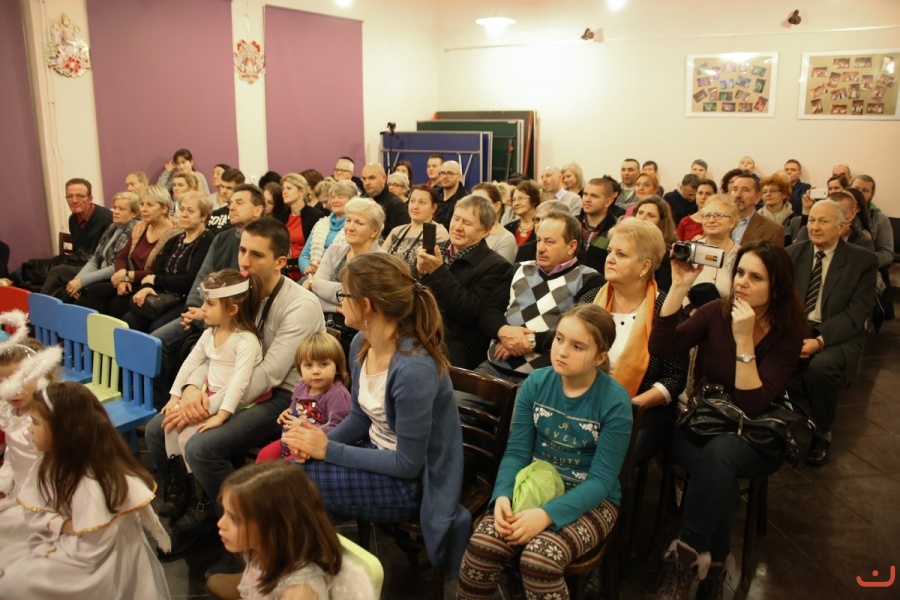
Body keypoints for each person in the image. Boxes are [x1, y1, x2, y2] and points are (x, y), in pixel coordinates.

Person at [145, 218, 325, 562]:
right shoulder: (238, 290)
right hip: (227, 386)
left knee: (201, 447)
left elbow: (270, 374)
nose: (244, 261)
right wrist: (190, 390)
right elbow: (210, 347)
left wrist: (210, 405)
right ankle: (191, 503)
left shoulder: (300, 305)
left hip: (282, 396)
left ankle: (240, 523)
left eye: (256, 255)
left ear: (280, 261)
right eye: (242, 250)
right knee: (157, 429)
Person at [284, 253, 471, 577]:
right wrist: (317, 444)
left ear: (367, 306)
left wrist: (327, 449)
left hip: (413, 483)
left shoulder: (413, 369)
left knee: (290, 487)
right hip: (377, 456)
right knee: (288, 477)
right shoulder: (362, 342)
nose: (339, 302)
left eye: (343, 294)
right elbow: (359, 417)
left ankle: (300, 577)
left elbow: (408, 464)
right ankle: (301, 575)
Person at [651, 240, 806, 599]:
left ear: (777, 288)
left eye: (756, 277)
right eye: (740, 273)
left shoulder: (789, 330)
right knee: (721, 474)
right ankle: (716, 567)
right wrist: (679, 287)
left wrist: (744, 340)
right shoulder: (715, 312)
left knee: (721, 454)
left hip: (756, 435)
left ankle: (684, 559)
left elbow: (752, 403)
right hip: (704, 423)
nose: (742, 282)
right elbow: (662, 347)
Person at [457, 304, 632, 599]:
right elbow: (516, 452)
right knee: (483, 545)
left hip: (591, 499)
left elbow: (601, 482)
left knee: (540, 559)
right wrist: (502, 495)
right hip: (535, 485)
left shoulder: (614, 401)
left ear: (600, 357)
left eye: (577, 346)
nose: (561, 351)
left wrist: (546, 515)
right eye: (559, 339)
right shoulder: (536, 383)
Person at [0, 382, 171, 599]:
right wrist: (60, 525)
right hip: (68, 539)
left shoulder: (95, 483)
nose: (29, 429)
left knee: (17, 582)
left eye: (35, 422)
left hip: (100, 562)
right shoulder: (50, 461)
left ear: (62, 430)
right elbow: (37, 509)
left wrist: (56, 539)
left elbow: (93, 548)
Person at [156, 269, 265, 529]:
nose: (202, 308)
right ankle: (180, 491)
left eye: (210, 304)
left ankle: (200, 500)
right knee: (170, 425)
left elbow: (239, 384)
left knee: (186, 436)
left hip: (236, 402)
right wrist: (175, 396)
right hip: (210, 395)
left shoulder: (246, 341)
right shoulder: (210, 333)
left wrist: (222, 415)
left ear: (232, 309)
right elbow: (190, 363)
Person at [149, 183, 264, 408]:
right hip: (203, 310)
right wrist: (195, 308)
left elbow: (245, 292)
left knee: (193, 352)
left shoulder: (260, 244)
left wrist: (204, 313)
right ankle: (162, 403)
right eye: (230, 203)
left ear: (257, 210)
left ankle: (186, 401)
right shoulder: (222, 238)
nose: (231, 207)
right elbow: (203, 276)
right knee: (156, 340)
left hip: (229, 319)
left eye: (239, 203)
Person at [787, 200, 878, 466]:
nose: (814, 227)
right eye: (812, 220)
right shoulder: (792, 254)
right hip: (795, 327)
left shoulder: (862, 261)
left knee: (821, 369)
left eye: (823, 221)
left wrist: (819, 340)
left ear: (842, 226)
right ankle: (772, 424)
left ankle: (822, 432)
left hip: (838, 332)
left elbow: (856, 313)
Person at [205, 462, 376, 600]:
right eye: (224, 512)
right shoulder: (262, 550)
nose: (220, 523)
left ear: (274, 527)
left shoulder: (299, 592)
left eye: (234, 519)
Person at [594, 219, 687, 465]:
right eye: (610, 251)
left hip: (643, 408)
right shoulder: (591, 299)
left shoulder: (666, 309)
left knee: (612, 453)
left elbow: (674, 379)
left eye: (621, 254)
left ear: (645, 266)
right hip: (589, 398)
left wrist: (628, 406)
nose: (610, 258)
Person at [478, 211, 603, 386]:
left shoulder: (589, 280)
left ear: (571, 246)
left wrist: (528, 341)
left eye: (549, 242)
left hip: (544, 376)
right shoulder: (518, 269)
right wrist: (504, 332)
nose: (541, 248)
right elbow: (489, 312)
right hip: (493, 366)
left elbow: (579, 332)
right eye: (539, 240)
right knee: (455, 400)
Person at [415, 195, 514, 369]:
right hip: (420, 337)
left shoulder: (496, 266)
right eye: (456, 219)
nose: (458, 227)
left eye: (467, 223)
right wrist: (419, 273)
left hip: (455, 350)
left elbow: (469, 311)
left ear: (486, 230)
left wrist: (437, 272)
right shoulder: (437, 249)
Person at [77, 186, 178, 317]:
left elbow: (157, 272)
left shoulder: (174, 235)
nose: (143, 209)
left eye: (149, 205)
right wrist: (122, 279)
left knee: (116, 304)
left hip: (149, 284)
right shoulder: (140, 228)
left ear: (164, 208)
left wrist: (126, 276)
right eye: (142, 204)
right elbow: (122, 258)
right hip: (129, 279)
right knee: (93, 291)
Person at [122, 191, 214, 332]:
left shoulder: (208, 242)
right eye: (182, 209)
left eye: (190, 211)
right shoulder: (173, 240)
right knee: (128, 320)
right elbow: (155, 272)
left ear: (204, 216)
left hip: (185, 299)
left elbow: (189, 281)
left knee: (156, 327)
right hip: (162, 294)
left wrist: (155, 280)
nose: (183, 214)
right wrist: (146, 287)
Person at [0, 336, 60, 547]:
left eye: (22, 381)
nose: (14, 390)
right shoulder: (7, 410)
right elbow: (12, 452)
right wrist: (3, 483)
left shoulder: (48, 417)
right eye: (3, 382)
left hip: (48, 495)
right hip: (20, 489)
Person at [256, 331, 351, 462]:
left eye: (323, 364)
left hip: (318, 447)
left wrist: (302, 425)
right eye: (308, 365)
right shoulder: (301, 385)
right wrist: (287, 414)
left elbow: (340, 430)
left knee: (286, 466)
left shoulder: (337, 395)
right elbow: (294, 409)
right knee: (264, 455)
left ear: (338, 367)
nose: (315, 371)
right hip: (294, 438)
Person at [43, 191, 139, 302]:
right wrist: (77, 280)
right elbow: (95, 259)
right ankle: (42, 307)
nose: (116, 212)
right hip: (99, 269)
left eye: (121, 209)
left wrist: (82, 282)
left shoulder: (134, 230)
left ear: (134, 213)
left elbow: (115, 267)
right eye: (115, 208)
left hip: (116, 276)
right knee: (60, 275)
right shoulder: (113, 227)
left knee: (76, 293)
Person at [686, 195, 742, 308]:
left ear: (732, 222)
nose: (711, 220)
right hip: (692, 314)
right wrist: (689, 309)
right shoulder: (690, 250)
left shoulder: (742, 255)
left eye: (718, 216)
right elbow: (679, 285)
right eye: (707, 216)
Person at [382, 185, 449, 271]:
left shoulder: (438, 232)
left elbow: (431, 268)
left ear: (433, 207)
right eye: (412, 201)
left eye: (422, 202)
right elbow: (380, 259)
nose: (415, 206)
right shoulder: (397, 231)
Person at [300, 179, 356, 278]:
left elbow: (354, 261)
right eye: (333, 197)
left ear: (352, 200)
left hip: (338, 278)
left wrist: (323, 270)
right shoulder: (320, 223)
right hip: (311, 275)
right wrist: (307, 268)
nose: (335, 200)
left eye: (340, 197)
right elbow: (304, 255)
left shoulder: (355, 226)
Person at [277, 173, 326, 281]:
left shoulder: (315, 215)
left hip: (307, 271)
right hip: (283, 270)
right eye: (283, 188)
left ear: (301, 192)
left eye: (289, 188)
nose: (284, 192)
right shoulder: (281, 217)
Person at [579, 175, 623, 272]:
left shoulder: (617, 229)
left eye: (594, 196)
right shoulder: (571, 224)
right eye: (585, 194)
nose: (587, 199)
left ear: (608, 202)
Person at [633, 196, 676, 291]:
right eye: (640, 213)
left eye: (651, 215)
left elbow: (662, 289)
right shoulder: (624, 242)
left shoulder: (668, 251)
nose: (642, 218)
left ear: (661, 222)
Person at [729, 172, 784, 247]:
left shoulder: (773, 230)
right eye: (735, 189)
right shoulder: (718, 221)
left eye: (745, 190)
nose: (738, 195)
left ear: (757, 197)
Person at [472, 182, 517, 263]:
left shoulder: (506, 239)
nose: (474, 207)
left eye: (482, 202)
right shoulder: (468, 232)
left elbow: (501, 269)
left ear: (497, 206)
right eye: (472, 202)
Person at [361, 163, 409, 235]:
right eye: (364, 179)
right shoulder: (361, 200)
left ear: (384, 178)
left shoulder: (397, 205)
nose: (366, 183)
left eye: (372, 178)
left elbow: (399, 237)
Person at [758, 172, 796, 244]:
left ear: (784, 194)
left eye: (773, 191)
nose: (768, 194)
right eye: (764, 192)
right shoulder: (756, 218)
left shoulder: (794, 220)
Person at [207, 168, 245, 235]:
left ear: (240, 189)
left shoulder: (243, 214)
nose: (224, 191)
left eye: (229, 188)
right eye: (222, 186)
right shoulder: (214, 213)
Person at [505, 180, 541, 248]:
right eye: (514, 200)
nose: (516, 203)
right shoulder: (508, 228)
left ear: (534, 200)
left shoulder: (542, 226)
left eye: (521, 198)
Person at [434, 160, 469, 229]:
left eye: (450, 173)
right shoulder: (432, 194)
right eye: (442, 173)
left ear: (460, 177)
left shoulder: (465, 201)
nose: (445, 176)